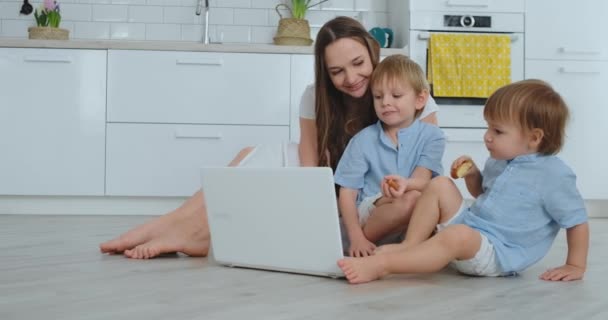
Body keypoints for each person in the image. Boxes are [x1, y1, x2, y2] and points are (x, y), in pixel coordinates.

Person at [99, 16, 439, 259]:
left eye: (358, 63)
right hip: (334, 187)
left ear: (372, 50)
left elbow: (425, 163)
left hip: (381, 192)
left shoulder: (406, 94)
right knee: (256, 153)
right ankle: (173, 225)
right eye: (337, 71)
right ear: (325, 73)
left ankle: (189, 233)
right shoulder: (315, 97)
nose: (351, 78)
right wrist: (318, 213)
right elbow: (310, 167)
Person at [337, 79, 589, 284]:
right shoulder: (500, 160)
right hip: (473, 229)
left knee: (457, 235)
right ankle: (410, 246)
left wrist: (575, 264)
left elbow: (576, 220)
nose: (487, 137)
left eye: (497, 131)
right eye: (488, 128)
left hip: (497, 253)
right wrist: (472, 175)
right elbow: (481, 192)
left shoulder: (554, 176)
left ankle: (383, 266)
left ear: (534, 138)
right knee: (441, 184)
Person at [334, 55, 445, 257]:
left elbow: (422, 181)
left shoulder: (433, 136)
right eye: (378, 96)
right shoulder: (362, 140)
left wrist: (405, 184)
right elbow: (347, 193)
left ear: (420, 99)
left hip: (414, 208)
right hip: (374, 211)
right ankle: (357, 241)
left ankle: (405, 247)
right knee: (411, 199)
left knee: (423, 198)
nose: (385, 102)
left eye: (396, 95)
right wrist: (356, 236)